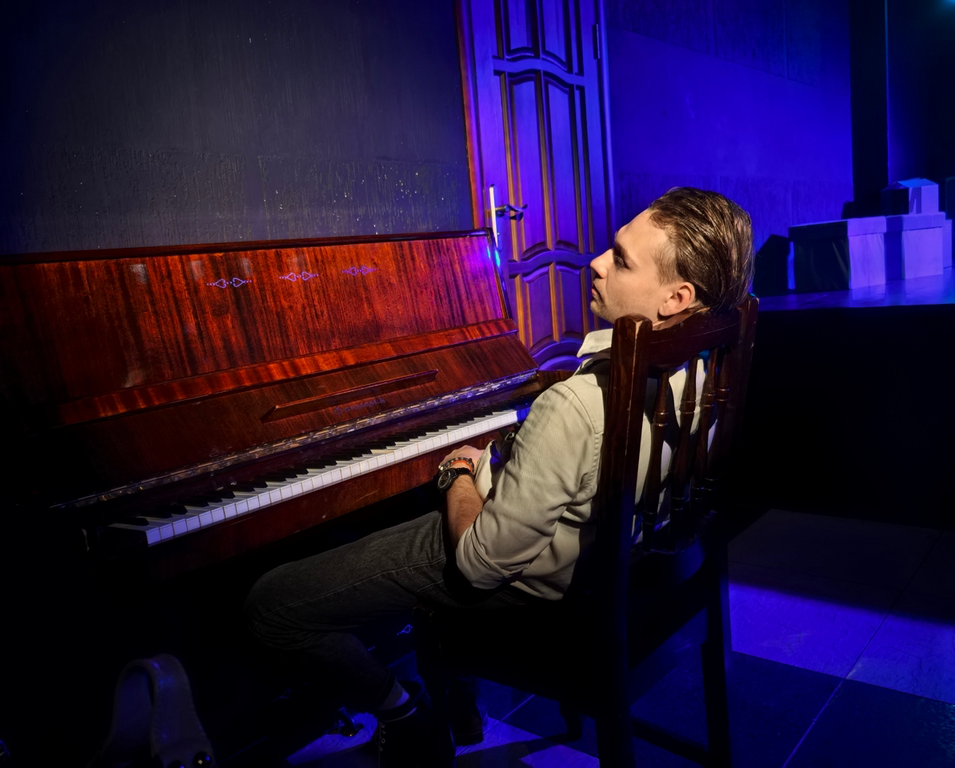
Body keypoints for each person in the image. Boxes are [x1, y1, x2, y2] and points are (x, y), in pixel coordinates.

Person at [244, 187, 754, 766]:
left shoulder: (576, 407)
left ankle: (404, 711)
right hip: (621, 561)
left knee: (270, 604)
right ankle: (458, 691)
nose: (595, 262)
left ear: (676, 297)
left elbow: (479, 565)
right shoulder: (709, 370)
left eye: (621, 259)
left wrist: (458, 473)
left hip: (525, 574)